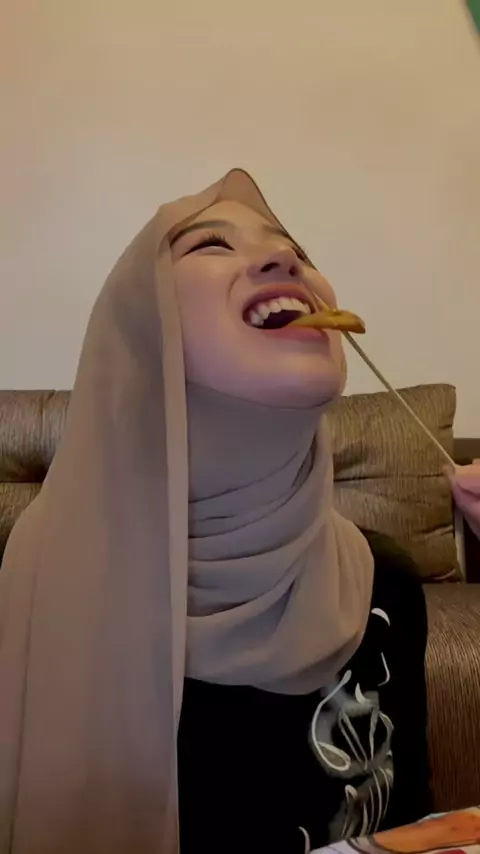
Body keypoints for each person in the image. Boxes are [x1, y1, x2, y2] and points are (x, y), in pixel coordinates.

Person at [0, 170, 430, 854]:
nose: (285, 257)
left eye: (296, 249)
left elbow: (410, 835)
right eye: (210, 245)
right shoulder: (28, 582)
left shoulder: (389, 584)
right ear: (140, 328)